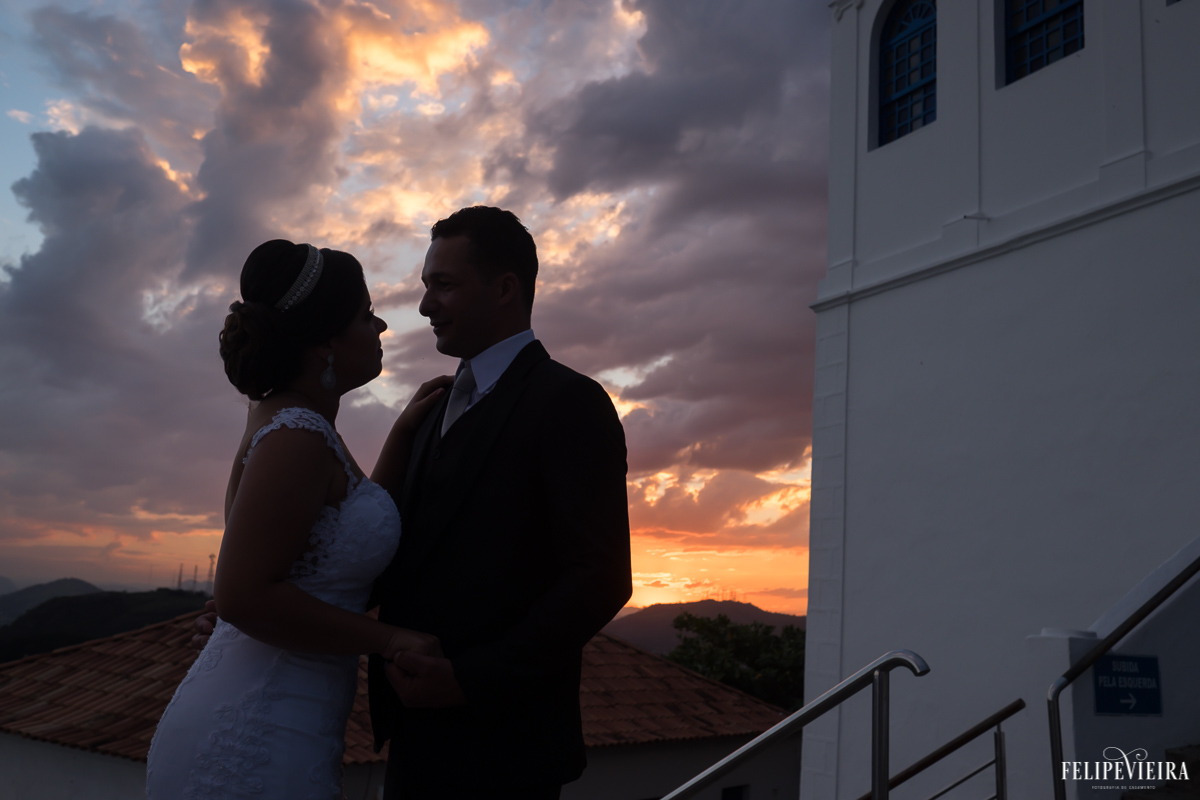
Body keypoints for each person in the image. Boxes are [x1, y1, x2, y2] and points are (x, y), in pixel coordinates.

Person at [148, 239, 451, 799]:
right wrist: (390, 639)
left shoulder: (295, 421)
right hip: (257, 729)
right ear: (328, 342)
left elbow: (340, 531)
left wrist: (403, 435)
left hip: (285, 714)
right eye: (365, 314)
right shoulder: (298, 436)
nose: (381, 324)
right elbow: (242, 598)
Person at [370, 206, 632, 799]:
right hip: (414, 740)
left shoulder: (571, 402)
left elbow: (601, 577)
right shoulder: (431, 408)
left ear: (506, 288)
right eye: (425, 286)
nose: (425, 305)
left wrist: (468, 680)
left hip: (508, 753)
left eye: (444, 284)